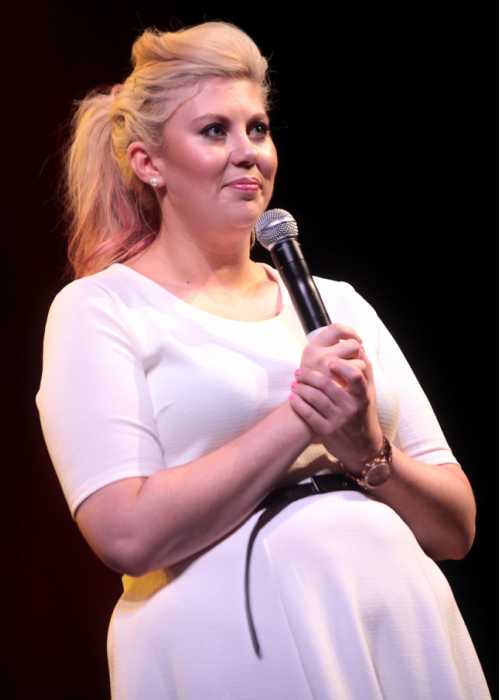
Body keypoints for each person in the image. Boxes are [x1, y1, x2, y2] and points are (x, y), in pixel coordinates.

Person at [36, 20, 491, 700]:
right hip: (237, 649)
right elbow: (125, 534)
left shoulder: (339, 304)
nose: (249, 153)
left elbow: (456, 527)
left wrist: (371, 452)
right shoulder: (100, 310)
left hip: (397, 623)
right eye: (215, 131)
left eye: (258, 128)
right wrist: (300, 419)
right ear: (148, 162)